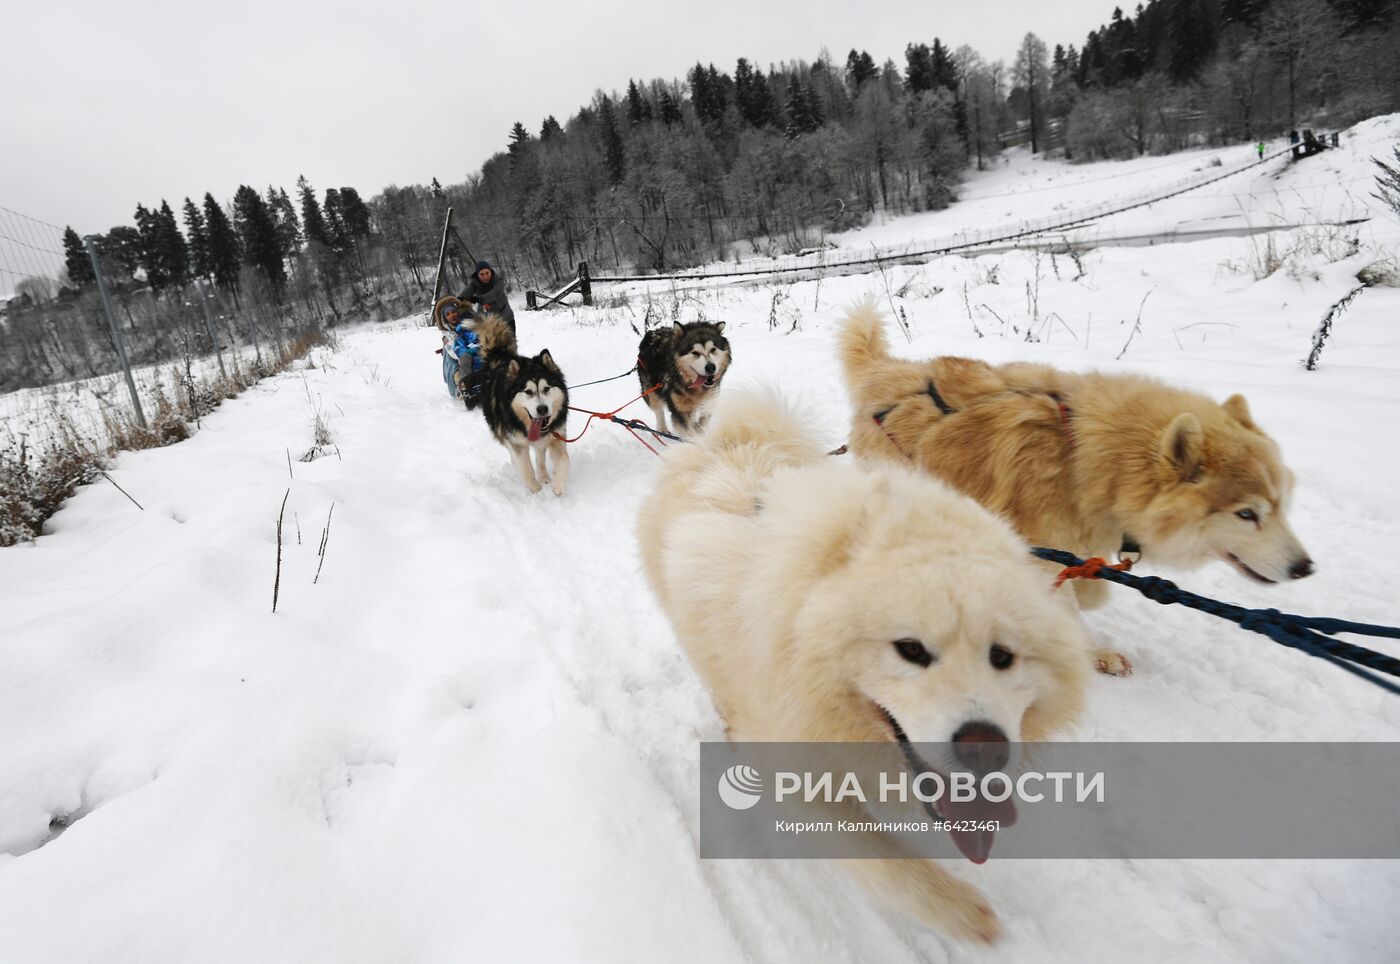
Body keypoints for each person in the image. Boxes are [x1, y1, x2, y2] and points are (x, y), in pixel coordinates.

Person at [457, 260, 515, 334]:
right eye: (481, 274)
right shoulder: (475, 284)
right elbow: (464, 294)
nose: (485, 276)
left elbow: (496, 293)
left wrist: (479, 299)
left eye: (487, 273)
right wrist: (458, 300)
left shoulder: (498, 280)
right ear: (477, 275)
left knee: (510, 344)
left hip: (505, 319)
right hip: (487, 322)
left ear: (491, 271)